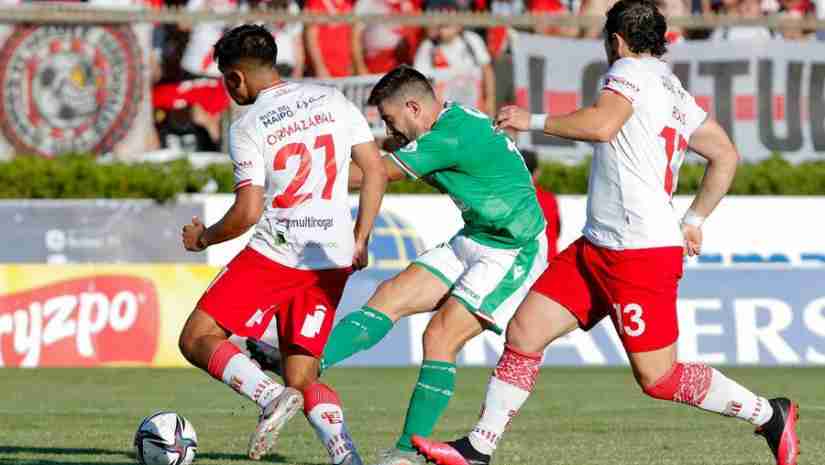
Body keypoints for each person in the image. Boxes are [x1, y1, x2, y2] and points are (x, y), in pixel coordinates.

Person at [411, 2, 800, 465]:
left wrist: (531, 121)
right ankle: (479, 448)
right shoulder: (673, 89)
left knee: (658, 377)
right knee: (524, 332)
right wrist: (694, 219)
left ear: (615, 40)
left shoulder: (628, 72)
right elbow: (726, 155)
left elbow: (601, 125)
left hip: (639, 254)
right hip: (598, 245)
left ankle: (768, 414)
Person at [178, 24, 387, 464]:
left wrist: (204, 238)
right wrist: (361, 237)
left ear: (235, 77)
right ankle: (345, 455)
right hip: (333, 258)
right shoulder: (331, 99)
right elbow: (376, 169)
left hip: (279, 253)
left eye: (225, 80)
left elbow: (247, 213)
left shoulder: (248, 124)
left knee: (197, 337)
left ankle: (269, 396)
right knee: (303, 374)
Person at [325, 65, 548, 465]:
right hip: (476, 235)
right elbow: (390, 153)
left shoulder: (447, 137)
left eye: (392, 120)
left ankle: (408, 453)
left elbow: (373, 174)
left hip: (513, 249)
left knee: (441, 336)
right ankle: (307, 365)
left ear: (413, 106)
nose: (391, 130)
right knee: (389, 294)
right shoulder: (451, 118)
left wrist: (302, 176)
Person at [521, 149, 561, 259]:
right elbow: (556, 231)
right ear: (537, 173)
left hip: (522, 264)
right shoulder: (549, 199)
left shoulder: (507, 199)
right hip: (548, 262)